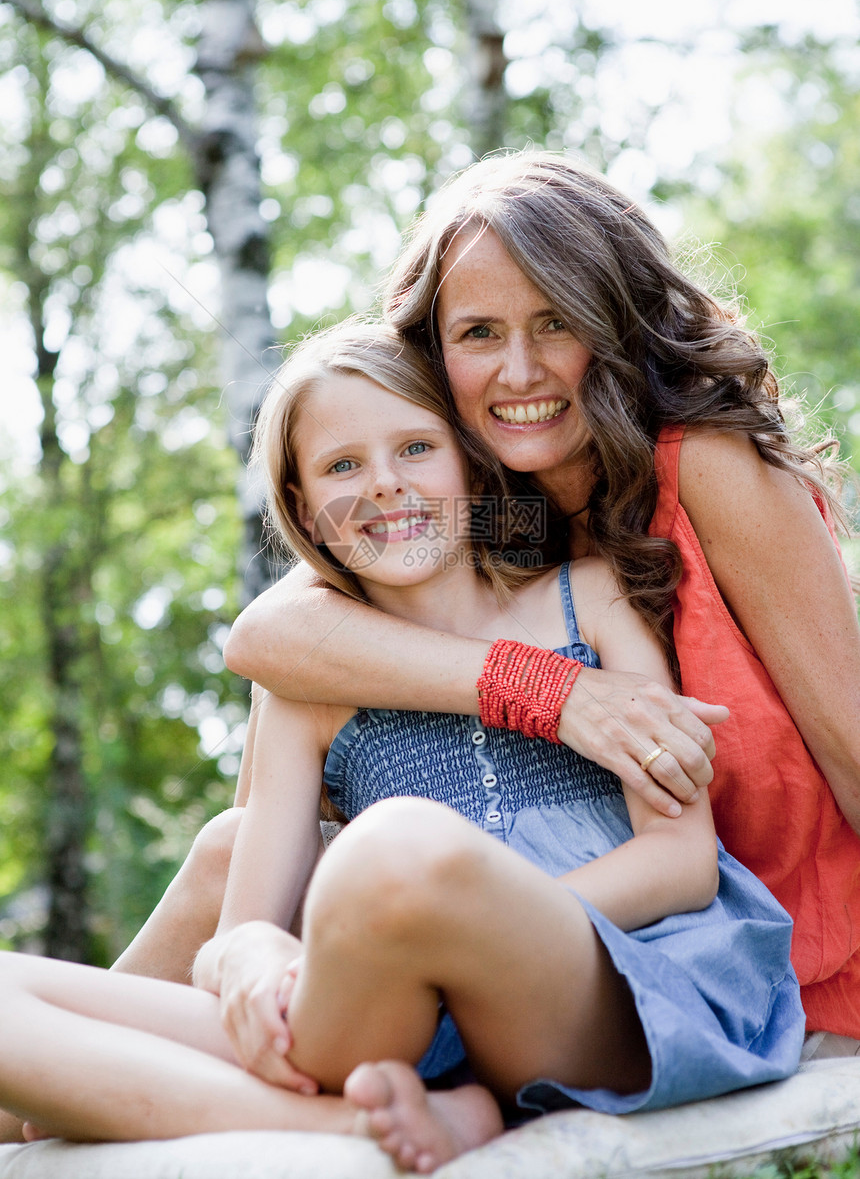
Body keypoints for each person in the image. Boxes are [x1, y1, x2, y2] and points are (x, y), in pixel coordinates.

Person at [0, 324, 804, 1170]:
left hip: (609, 976)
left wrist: (470, 920)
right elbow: (240, 929)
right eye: (343, 467)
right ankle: (365, 1125)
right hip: (392, 1019)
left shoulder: (589, 600)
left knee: (393, 848)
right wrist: (256, 959)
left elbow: (682, 862)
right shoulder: (303, 691)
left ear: (466, 463)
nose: (384, 486)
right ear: (306, 507)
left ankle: (242, 1089)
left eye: (416, 448)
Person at [221, 151, 860, 1048]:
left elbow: (852, 745)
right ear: (433, 355)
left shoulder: (702, 464)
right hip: (545, 938)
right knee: (229, 850)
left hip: (764, 938)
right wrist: (552, 693)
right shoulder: (486, 505)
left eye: (556, 322)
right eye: (479, 333)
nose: (518, 371)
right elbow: (268, 636)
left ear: (618, 323)